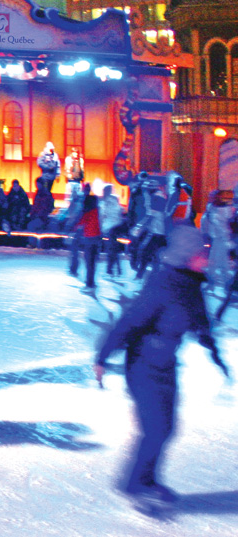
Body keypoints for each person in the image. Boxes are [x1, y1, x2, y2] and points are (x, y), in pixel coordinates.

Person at [95, 225, 229, 505]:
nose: (206, 257)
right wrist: (103, 357)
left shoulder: (191, 284)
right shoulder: (162, 284)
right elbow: (130, 322)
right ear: (186, 254)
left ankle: (146, 480)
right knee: (156, 428)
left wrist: (216, 356)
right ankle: (134, 484)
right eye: (201, 252)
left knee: (166, 427)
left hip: (165, 364)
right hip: (142, 365)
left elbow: (201, 325)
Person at [74, 187, 101, 290]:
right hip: (97, 238)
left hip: (89, 238)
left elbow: (80, 224)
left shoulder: (88, 213)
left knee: (89, 262)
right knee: (93, 262)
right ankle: (92, 282)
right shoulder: (98, 211)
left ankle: (89, 284)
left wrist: (74, 227)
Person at [99, 184, 126, 278]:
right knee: (114, 249)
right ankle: (118, 271)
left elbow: (102, 215)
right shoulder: (115, 199)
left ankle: (109, 272)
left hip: (110, 227)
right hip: (117, 226)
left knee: (111, 250)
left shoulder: (104, 202)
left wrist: (101, 228)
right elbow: (120, 211)